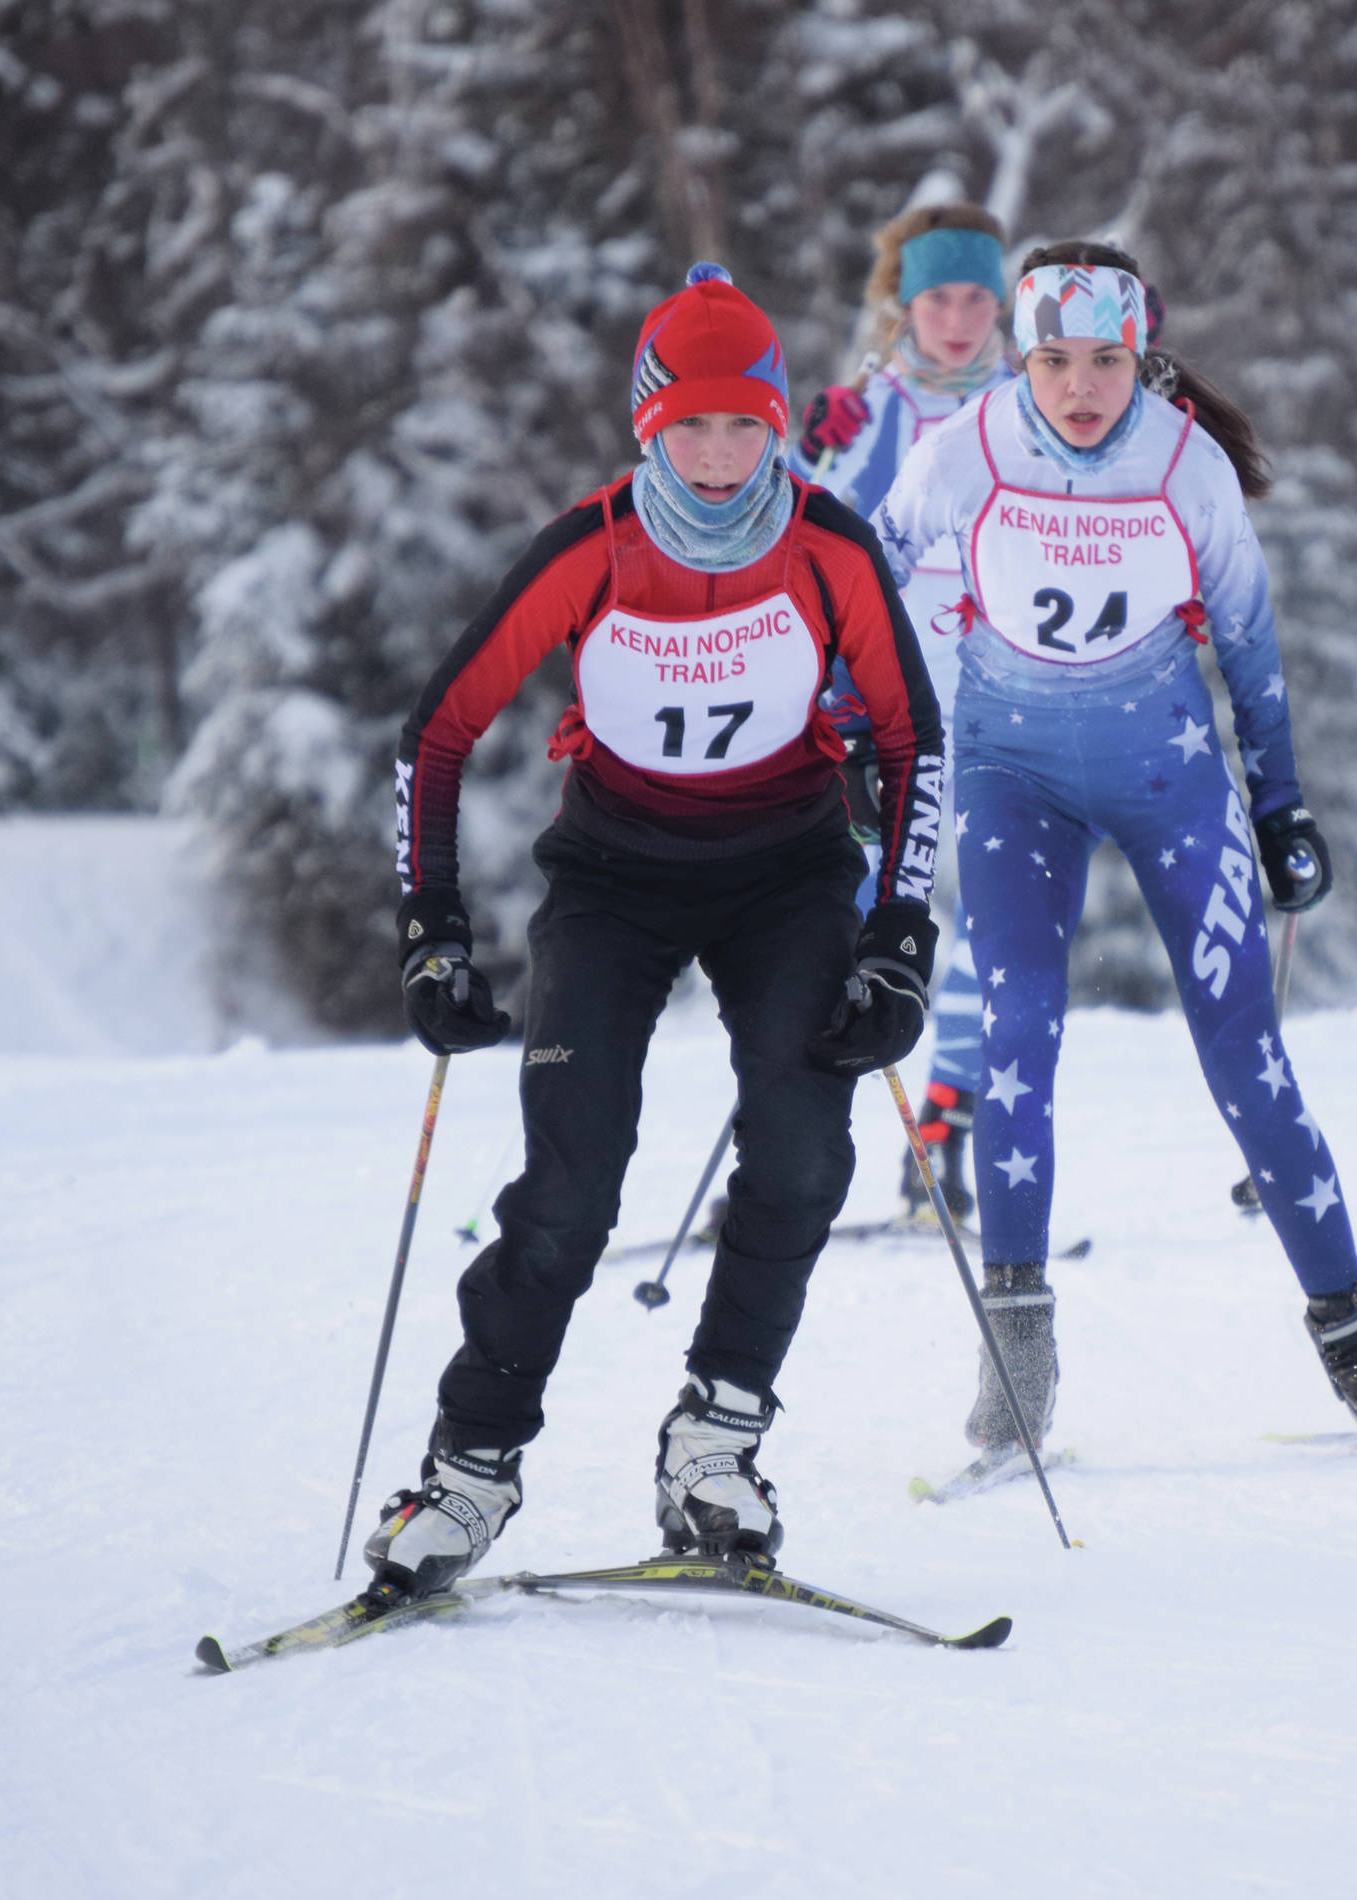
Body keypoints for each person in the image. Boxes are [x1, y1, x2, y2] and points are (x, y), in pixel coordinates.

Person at [367, 264, 946, 1604]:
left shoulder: (826, 543)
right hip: (615, 882)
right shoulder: (594, 544)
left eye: (745, 424)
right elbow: (438, 732)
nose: (721, 452)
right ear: (648, 424)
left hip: (787, 875)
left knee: (803, 1157)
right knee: (570, 1193)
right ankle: (468, 1469)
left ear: (778, 425)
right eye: (692, 425)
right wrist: (430, 929)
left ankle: (717, 1445)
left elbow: (918, 739)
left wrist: (901, 934)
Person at [872, 240, 1357, 1457]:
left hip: (1167, 779)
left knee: (1245, 1055)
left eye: (1105, 361)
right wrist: (852, 724)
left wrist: (1282, 802)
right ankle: (1019, 1349)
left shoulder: (1183, 463)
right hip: (1010, 775)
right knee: (1016, 1042)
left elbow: (1247, 644)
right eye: (1053, 361)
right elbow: (864, 572)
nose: (1081, 388)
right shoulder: (964, 451)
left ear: (1140, 358)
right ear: (1018, 358)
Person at [791, 202, 1017, 1223]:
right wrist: (806, 452)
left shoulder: (1030, 401)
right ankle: (796, 1141)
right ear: (903, 306)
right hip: (886, 700)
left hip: (1007, 693)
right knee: (845, 917)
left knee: (997, 913)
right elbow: (809, 534)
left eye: (976, 297)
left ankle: (942, 1127)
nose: (958, 319)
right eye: (938, 299)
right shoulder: (873, 408)